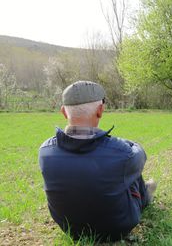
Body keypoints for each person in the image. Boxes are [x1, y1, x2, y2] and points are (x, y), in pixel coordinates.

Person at [39, 81, 156, 242]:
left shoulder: (45, 150)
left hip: (70, 228)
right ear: (100, 110)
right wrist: (119, 142)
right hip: (117, 227)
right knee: (131, 171)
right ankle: (146, 195)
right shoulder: (122, 153)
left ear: (64, 113)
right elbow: (140, 154)